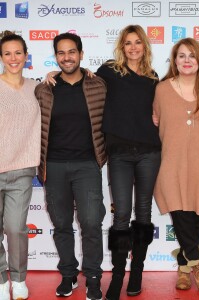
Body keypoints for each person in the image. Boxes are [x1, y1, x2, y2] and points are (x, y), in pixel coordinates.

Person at [35, 32, 106, 300]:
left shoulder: (98, 85)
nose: (67, 57)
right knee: (62, 222)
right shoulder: (44, 89)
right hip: (53, 166)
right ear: (56, 57)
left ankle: (94, 277)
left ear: (81, 54)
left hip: (87, 164)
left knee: (91, 222)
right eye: (61, 53)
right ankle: (68, 275)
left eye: (72, 52)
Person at [95, 25, 161, 300]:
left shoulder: (154, 77)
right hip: (119, 153)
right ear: (121, 47)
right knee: (121, 214)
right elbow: (84, 84)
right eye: (128, 43)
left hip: (149, 152)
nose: (133, 47)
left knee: (144, 215)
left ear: (145, 46)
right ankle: (118, 274)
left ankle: (137, 273)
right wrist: (53, 75)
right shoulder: (109, 71)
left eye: (138, 43)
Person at [153, 38, 199, 294]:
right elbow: (157, 121)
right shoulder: (161, 90)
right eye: (181, 56)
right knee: (181, 217)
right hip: (172, 164)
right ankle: (198, 268)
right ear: (174, 60)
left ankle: (183, 267)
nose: (187, 60)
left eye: (192, 55)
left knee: (194, 221)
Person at [0, 32, 41, 300]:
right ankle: (1, 280)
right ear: (1, 57)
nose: (13, 58)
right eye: (7, 53)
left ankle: (18, 278)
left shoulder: (37, 87)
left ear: (26, 56)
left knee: (15, 228)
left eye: (18, 53)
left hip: (22, 170)